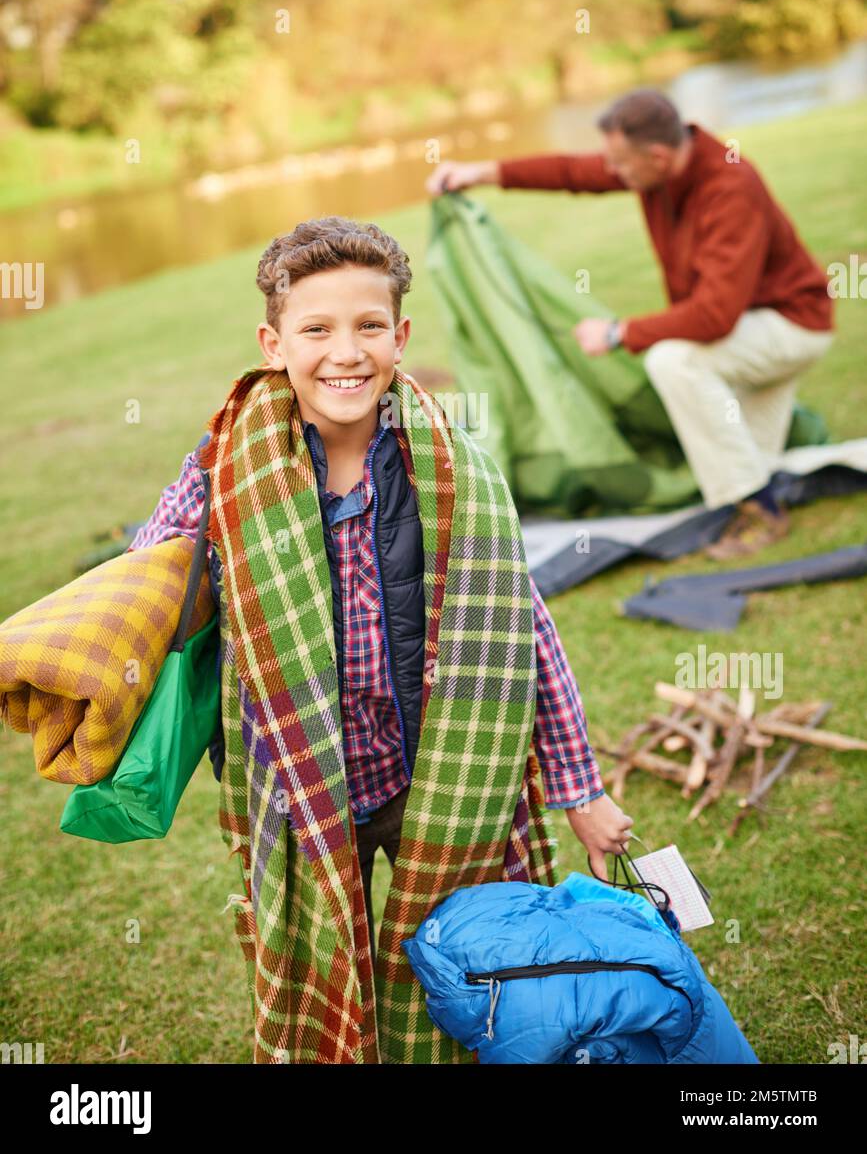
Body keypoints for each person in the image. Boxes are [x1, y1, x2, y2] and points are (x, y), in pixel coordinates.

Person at [129, 216, 631, 1063]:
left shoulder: (455, 469)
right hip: (299, 784)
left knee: (477, 953)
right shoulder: (224, 468)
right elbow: (152, 580)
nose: (344, 353)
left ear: (399, 337)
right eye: (316, 329)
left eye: (368, 327)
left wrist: (578, 789)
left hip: (435, 772)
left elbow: (523, 629)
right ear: (272, 341)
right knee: (322, 961)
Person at [426, 89, 835, 561]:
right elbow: (575, 172)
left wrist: (619, 333)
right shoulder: (660, 168)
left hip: (791, 327)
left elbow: (714, 316)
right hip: (751, 327)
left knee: (675, 361)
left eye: (619, 164)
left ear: (657, 156)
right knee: (749, 458)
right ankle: (755, 493)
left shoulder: (728, 188)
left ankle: (761, 513)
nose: (612, 172)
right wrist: (484, 173)